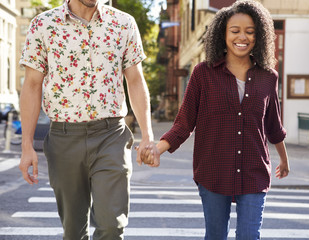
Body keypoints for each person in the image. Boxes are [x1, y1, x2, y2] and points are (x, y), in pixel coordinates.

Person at [140, 1, 290, 239]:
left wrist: (284, 159)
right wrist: (158, 148)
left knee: (250, 236)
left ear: (259, 36)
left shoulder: (268, 76)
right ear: (223, 33)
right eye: (235, 31)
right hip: (213, 170)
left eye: (250, 31)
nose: (243, 37)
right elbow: (184, 122)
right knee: (216, 235)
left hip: (254, 171)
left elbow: (273, 125)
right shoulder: (203, 73)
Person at [18, 0, 159, 239]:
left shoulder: (123, 23)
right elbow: (32, 85)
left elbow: (135, 80)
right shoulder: (43, 24)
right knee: (74, 231)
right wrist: (26, 146)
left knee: (112, 227)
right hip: (64, 137)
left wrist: (148, 135)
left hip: (111, 135)